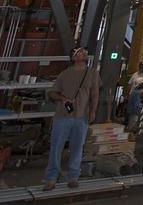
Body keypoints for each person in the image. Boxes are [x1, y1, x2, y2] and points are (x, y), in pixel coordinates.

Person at [43, 47, 99, 190]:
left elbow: (94, 94)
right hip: (63, 116)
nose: (84, 53)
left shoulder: (92, 73)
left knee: (77, 147)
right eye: (79, 52)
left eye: (84, 52)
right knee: (56, 147)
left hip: (82, 116)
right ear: (73, 58)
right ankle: (51, 178)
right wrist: (63, 99)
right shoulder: (64, 74)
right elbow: (52, 93)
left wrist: (93, 111)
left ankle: (73, 176)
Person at [125, 61, 143, 128]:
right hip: (134, 95)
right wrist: (128, 94)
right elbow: (129, 84)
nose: (141, 68)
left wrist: (142, 92)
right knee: (132, 113)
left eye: (142, 67)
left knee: (135, 113)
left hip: (140, 95)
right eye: (140, 66)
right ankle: (130, 126)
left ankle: (132, 127)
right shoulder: (135, 74)